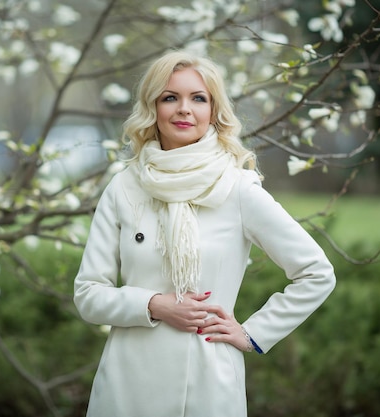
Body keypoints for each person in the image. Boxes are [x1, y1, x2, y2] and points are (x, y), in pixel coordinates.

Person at [73, 50, 336, 417]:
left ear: (213, 111)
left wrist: (253, 333)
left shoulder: (238, 187)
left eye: (198, 98)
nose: (184, 109)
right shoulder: (124, 188)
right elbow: (88, 294)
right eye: (170, 97)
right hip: (127, 384)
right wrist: (154, 305)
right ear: (153, 107)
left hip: (209, 383)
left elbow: (316, 273)